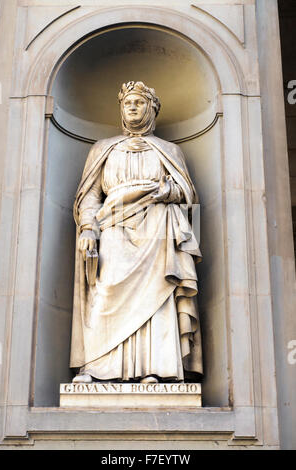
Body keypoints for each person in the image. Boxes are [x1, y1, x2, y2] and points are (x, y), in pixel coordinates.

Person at [70, 81, 203, 384]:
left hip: (157, 227)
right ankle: (97, 365)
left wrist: (165, 190)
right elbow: (89, 196)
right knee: (106, 289)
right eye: (127, 102)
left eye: (139, 102)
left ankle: (155, 369)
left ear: (152, 108)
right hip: (113, 226)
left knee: (157, 294)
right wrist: (88, 227)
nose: (132, 107)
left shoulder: (169, 150)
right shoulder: (103, 148)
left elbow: (187, 194)